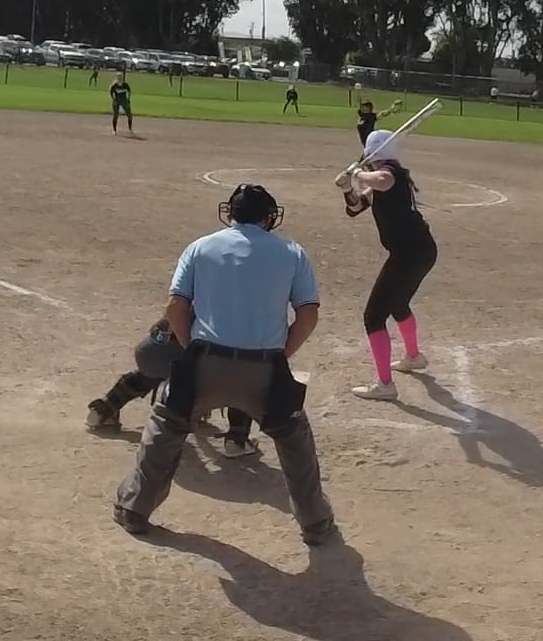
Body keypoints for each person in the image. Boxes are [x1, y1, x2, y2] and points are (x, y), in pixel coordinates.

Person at [112, 184, 334, 545]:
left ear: (230, 213)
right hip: (265, 368)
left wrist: (191, 349)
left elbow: (175, 307)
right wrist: (282, 354)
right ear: (269, 217)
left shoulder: (201, 246)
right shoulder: (292, 252)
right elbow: (308, 314)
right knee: (294, 438)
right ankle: (315, 523)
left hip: (204, 362)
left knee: (166, 425)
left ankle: (134, 509)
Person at [339, 129, 438, 401]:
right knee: (398, 303)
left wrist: (357, 173)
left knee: (373, 316)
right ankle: (414, 356)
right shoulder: (382, 178)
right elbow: (355, 208)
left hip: (409, 254)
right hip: (419, 251)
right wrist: (347, 188)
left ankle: (385, 386)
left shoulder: (390, 173)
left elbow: (383, 180)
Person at [86, 317, 257, 459]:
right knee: (241, 374)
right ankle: (237, 440)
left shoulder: (204, 289)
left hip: (151, 348)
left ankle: (102, 410)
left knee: (156, 370)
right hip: (194, 356)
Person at [109, 71, 134, 136]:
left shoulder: (125, 85)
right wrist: (113, 99)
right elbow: (111, 93)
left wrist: (128, 99)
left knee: (129, 115)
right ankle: (114, 130)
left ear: (122, 77)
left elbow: (129, 92)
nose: (120, 78)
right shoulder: (114, 85)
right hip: (117, 101)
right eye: (118, 77)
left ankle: (130, 129)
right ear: (117, 78)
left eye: (121, 77)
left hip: (124, 101)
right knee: (115, 115)